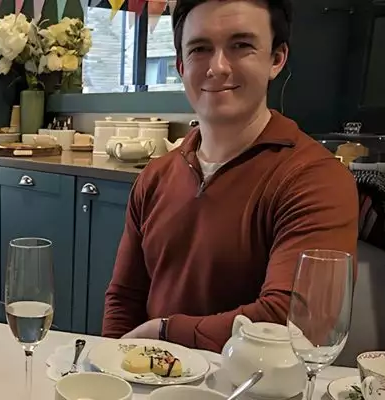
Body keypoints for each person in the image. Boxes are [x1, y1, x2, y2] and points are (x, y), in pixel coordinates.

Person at [101, 0, 358, 352]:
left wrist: (163, 333)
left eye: (241, 46)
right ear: (180, 65)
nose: (217, 67)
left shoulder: (315, 179)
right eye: (200, 49)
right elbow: (124, 299)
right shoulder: (155, 176)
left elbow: (298, 319)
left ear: (276, 59)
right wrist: (112, 369)